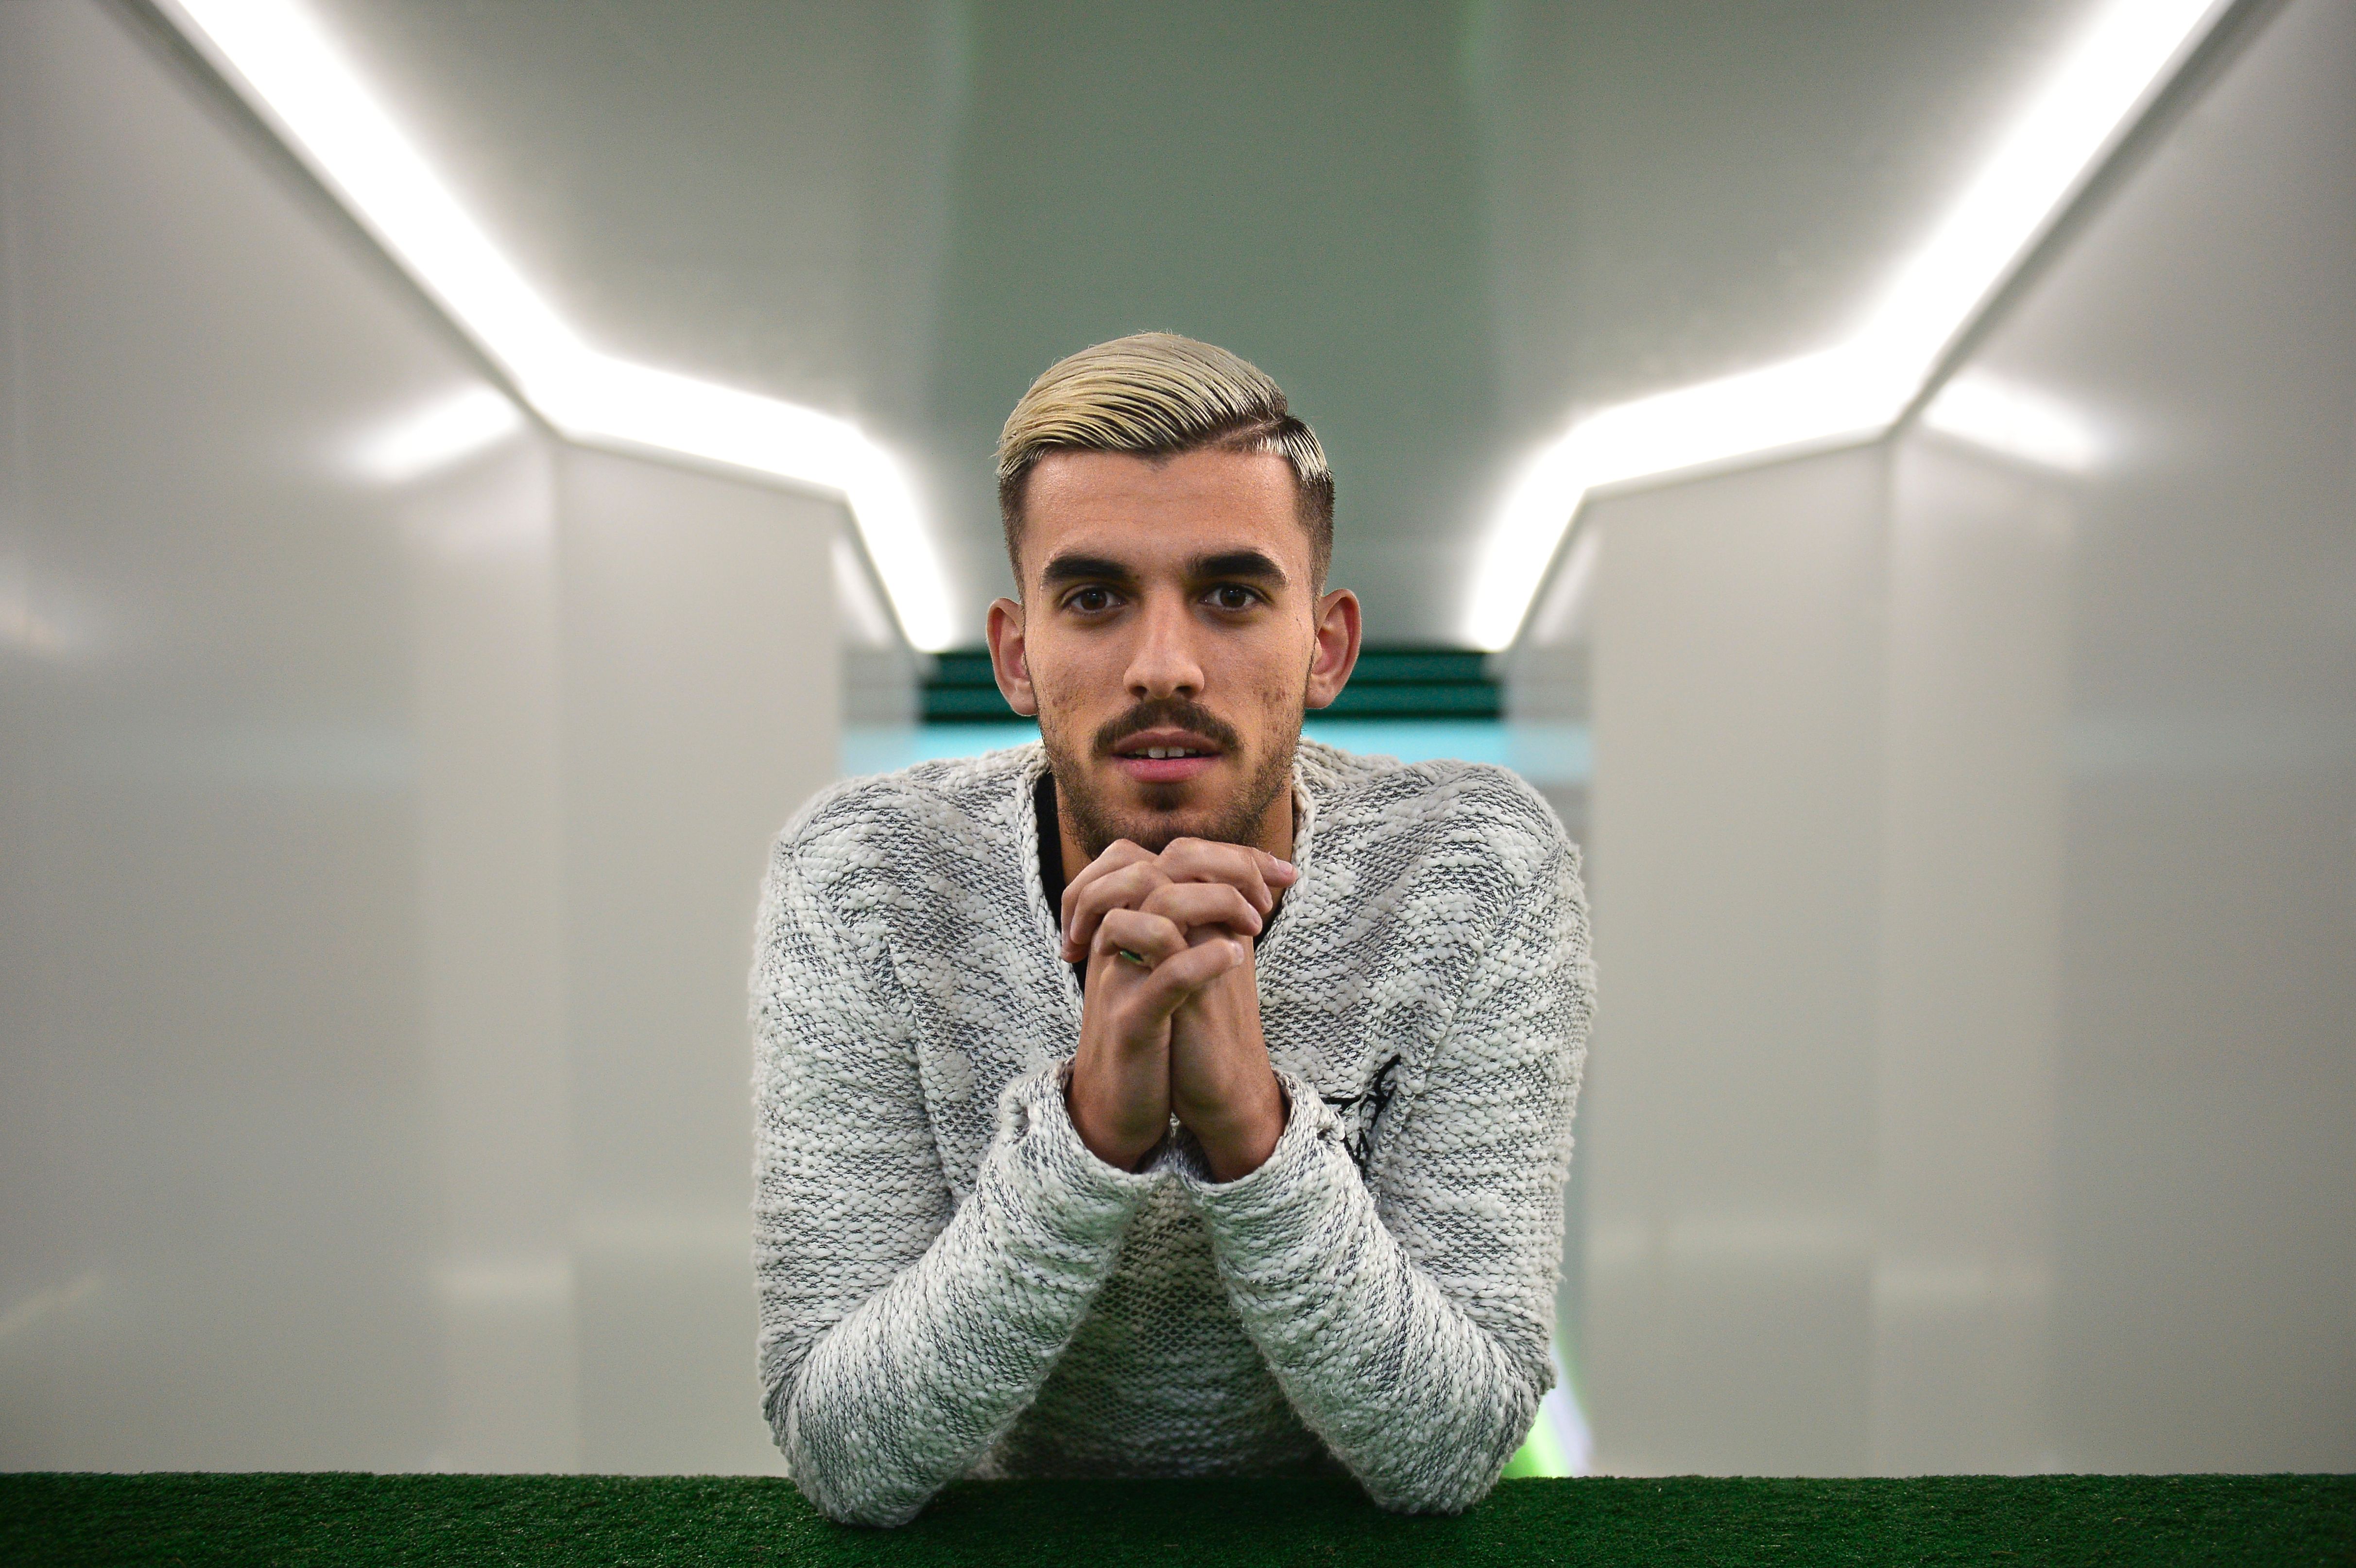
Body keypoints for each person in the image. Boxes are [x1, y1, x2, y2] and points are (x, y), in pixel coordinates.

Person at [751, 332, 1591, 1526]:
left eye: (1231, 594)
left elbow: (1452, 1445)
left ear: (1327, 647)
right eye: (1093, 597)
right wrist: (1089, 1136)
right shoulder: (865, 877)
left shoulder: (1473, 869)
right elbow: (844, 1453)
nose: (1164, 666)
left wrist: (1251, 1123)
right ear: (1017, 655)